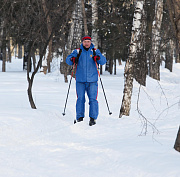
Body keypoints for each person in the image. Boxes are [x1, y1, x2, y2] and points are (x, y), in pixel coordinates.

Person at [66, 36, 106, 126]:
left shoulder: (95, 51)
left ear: (90, 42)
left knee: (93, 99)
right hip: (80, 80)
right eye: (85, 42)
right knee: (80, 99)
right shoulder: (77, 51)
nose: (86, 43)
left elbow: (103, 61)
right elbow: (68, 60)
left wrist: (98, 58)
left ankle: (93, 118)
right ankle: (80, 118)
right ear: (82, 42)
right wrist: (72, 59)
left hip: (92, 80)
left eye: (88, 41)